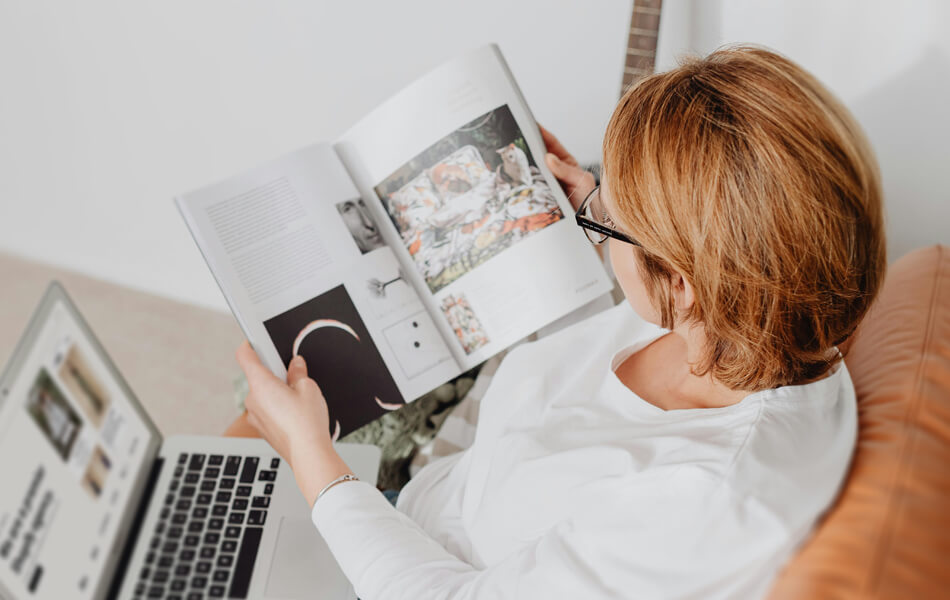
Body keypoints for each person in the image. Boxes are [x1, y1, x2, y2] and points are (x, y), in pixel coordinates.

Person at [235, 45, 885, 599]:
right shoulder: (747, 322)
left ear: (683, 280)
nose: (591, 203)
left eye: (609, 212)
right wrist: (590, 222)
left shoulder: (710, 499)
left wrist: (312, 458)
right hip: (430, 494)